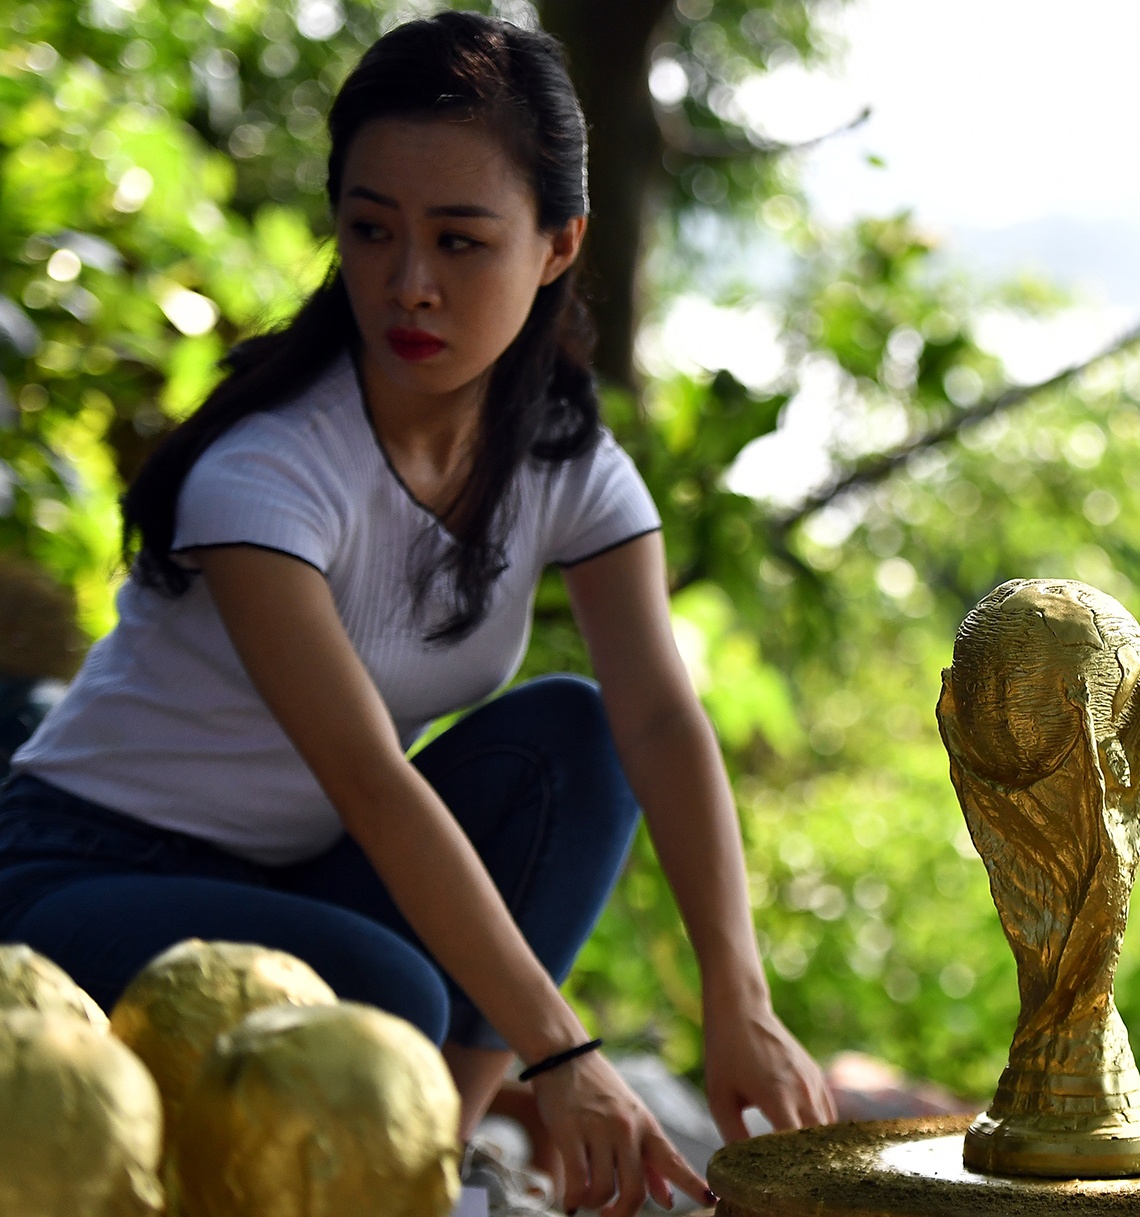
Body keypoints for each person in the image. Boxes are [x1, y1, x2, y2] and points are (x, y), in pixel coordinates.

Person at [0, 12, 833, 1214]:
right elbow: (373, 782)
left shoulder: (562, 456)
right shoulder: (270, 472)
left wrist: (737, 997)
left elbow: (659, 720)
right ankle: (438, 1137)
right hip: (76, 872)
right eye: (371, 230)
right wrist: (566, 1051)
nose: (409, 284)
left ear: (557, 245)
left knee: (580, 738)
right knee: (384, 988)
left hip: (298, 876)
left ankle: (437, 1147)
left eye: (460, 239)